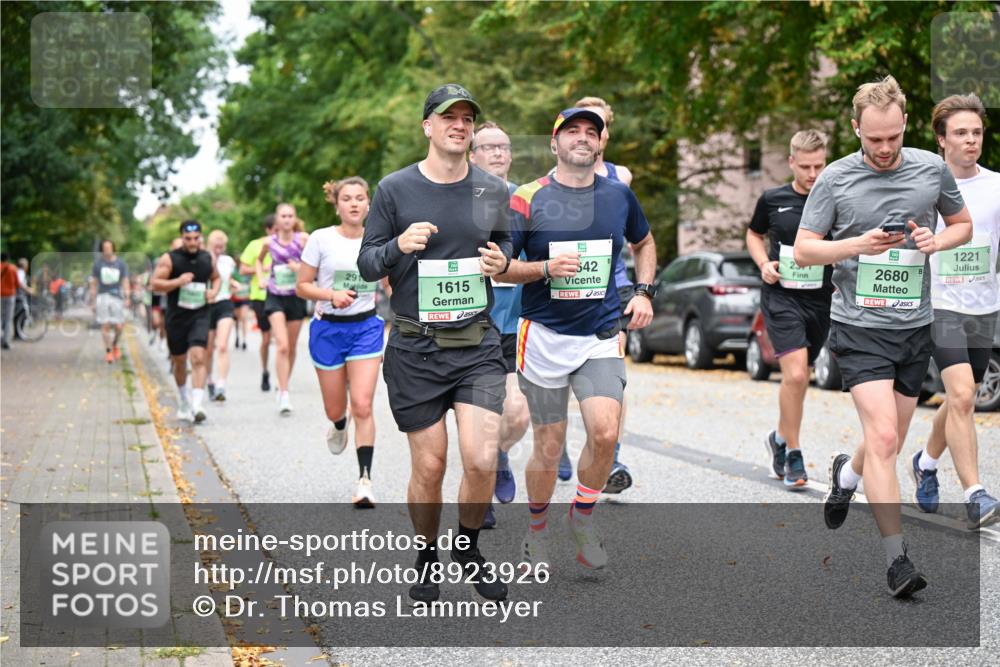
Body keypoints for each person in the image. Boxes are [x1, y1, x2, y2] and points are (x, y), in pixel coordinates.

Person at [794, 75, 972, 597]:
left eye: (893, 136)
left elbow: (961, 224)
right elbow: (805, 250)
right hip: (858, 327)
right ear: (856, 130)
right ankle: (897, 561)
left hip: (913, 325)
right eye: (874, 139)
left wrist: (936, 240)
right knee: (888, 439)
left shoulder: (931, 168)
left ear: (904, 126)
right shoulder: (834, 179)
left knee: (881, 442)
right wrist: (855, 246)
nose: (885, 148)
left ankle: (847, 476)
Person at [357, 83, 512, 604]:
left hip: (477, 346)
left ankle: (466, 547)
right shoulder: (394, 189)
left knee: (481, 458)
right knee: (430, 465)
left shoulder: (491, 189)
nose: (460, 125)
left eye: (468, 118)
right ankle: (426, 555)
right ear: (428, 126)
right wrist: (397, 245)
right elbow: (366, 262)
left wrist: (501, 262)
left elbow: (506, 242)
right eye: (449, 117)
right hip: (416, 349)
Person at [501, 107, 657, 571]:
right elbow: (502, 268)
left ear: (601, 144)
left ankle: (583, 517)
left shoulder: (618, 196)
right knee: (549, 447)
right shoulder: (527, 199)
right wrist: (545, 268)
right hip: (543, 336)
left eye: (592, 131)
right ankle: (535, 531)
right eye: (572, 131)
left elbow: (644, 243)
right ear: (555, 144)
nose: (583, 138)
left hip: (599, 334)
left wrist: (644, 291)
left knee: (605, 432)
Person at [910, 93, 1000, 528]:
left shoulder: (997, 186)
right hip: (940, 304)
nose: (970, 140)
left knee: (960, 397)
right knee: (964, 395)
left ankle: (925, 461)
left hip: (985, 306)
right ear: (941, 140)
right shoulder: (925, 183)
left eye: (976, 133)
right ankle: (975, 494)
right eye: (961, 133)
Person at [746, 129, 830, 488]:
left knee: (802, 376)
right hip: (782, 296)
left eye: (819, 166)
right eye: (806, 166)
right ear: (791, 162)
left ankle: (779, 438)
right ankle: (794, 452)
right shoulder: (773, 198)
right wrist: (764, 263)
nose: (813, 174)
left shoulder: (833, 199)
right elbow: (754, 234)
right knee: (794, 375)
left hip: (820, 298)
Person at [298, 177, 387, 508]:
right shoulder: (320, 239)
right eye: (346, 198)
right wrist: (330, 295)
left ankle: (365, 481)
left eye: (360, 198)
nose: (353, 203)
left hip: (366, 328)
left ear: (368, 204)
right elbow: (302, 286)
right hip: (328, 330)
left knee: (363, 404)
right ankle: (338, 424)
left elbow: (390, 283)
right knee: (337, 409)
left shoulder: (379, 240)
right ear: (336, 205)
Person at [565, 95, 637, 493]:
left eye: (601, 126)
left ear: (606, 133)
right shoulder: (554, 175)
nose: (594, 134)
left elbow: (633, 231)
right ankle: (555, 442)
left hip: (614, 283)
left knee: (614, 372)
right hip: (568, 286)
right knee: (562, 374)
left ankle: (612, 455)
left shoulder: (620, 175)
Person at [469, 120, 529, 528]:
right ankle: (481, 484)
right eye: (489, 147)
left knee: (519, 415)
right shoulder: (458, 194)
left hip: (514, 321)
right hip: (471, 322)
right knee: (481, 418)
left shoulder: (525, 199)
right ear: (473, 155)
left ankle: (499, 455)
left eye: (504, 147)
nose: (498, 154)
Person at [151, 221, 220, 424]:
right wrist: (177, 282)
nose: (192, 242)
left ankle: (197, 404)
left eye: (196, 238)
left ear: (201, 237)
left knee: (199, 357)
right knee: (179, 361)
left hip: (200, 314)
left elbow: (216, 278)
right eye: (188, 239)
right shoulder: (170, 258)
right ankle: (183, 400)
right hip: (177, 317)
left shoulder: (208, 257)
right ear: (182, 237)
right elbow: (155, 284)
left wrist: (213, 291)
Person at [256, 204, 309, 415]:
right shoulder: (268, 242)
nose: (286, 219)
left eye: (290, 216)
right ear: (276, 221)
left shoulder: (303, 239)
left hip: (296, 296)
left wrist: (300, 269)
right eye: (283, 216)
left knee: (293, 346)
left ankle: (283, 381)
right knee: (282, 346)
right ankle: (284, 393)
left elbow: (315, 263)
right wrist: (260, 278)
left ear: (294, 219)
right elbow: (259, 262)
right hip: (275, 296)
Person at [240, 215, 275, 392]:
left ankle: (282, 379)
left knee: (284, 341)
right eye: (275, 231)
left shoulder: (289, 243)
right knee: (267, 338)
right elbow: (243, 269)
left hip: (283, 295)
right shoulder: (255, 245)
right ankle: (265, 370)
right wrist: (261, 269)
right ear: (268, 230)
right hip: (260, 295)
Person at [205, 230, 239, 402]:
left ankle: (221, 385)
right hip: (207, 306)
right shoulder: (203, 259)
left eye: (221, 246)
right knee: (208, 348)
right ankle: (209, 380)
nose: (218, 249)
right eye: (215, 246)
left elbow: (228, 279)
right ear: (210, 244)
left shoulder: (228, 261)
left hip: (225, 303)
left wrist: (233, 283)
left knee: (223, 345)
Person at [89, 240, 131, 363]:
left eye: (109, 247)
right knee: (105, 324)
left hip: (117, 296)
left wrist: (127, 297)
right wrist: (93, 301)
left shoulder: (121, 264)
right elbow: (94, 282)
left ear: (113, 249)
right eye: (105, 248)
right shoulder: (98, 264)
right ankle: (108, 351)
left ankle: (115, 344)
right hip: (102, 296)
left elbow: (125, 280)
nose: (107, 250)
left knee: (118, 326)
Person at [0, 253, 17, 350]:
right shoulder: (12, 268)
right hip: (10, 295)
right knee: (8, 319)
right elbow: (17, 283)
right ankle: (6, 341)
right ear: (8, 259)